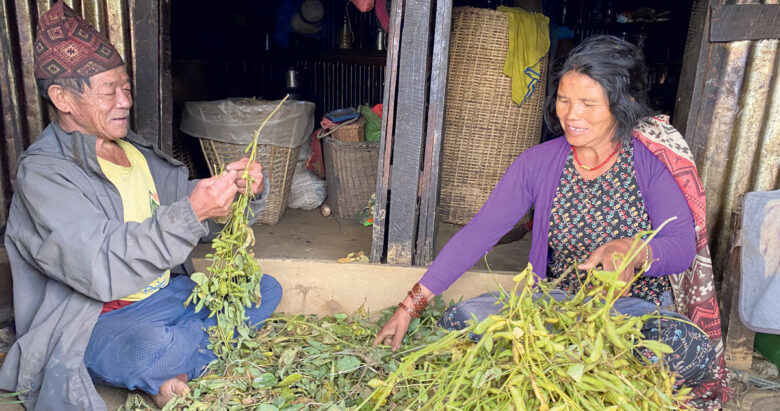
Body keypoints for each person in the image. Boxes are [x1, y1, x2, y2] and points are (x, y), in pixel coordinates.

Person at [374, 35, 728, 408]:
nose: (571, 115)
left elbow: (681, 246)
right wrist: (411, 304)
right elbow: (479, 233)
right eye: (563, 99)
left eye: (589, 103)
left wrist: (634, 249)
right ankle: (579, 368)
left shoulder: (649, 162)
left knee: (692, 352)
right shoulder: (539, 163)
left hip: (631, 315)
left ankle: (576, 366)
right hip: (553, 309)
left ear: (624, 104)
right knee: (459, 321)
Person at [0, 3, 282, 409]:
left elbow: (195, 220)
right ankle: (172, 362)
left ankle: (169, 374)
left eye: (126, 87)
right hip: (99, 317)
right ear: (63, 98)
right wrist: (193, 211)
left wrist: (238, 193)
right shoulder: (44, 174)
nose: (124, 101)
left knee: (264, 290)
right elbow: (99, 264)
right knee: (151, 347)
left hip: (168, 294)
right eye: (108, 91)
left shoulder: (137, 154)